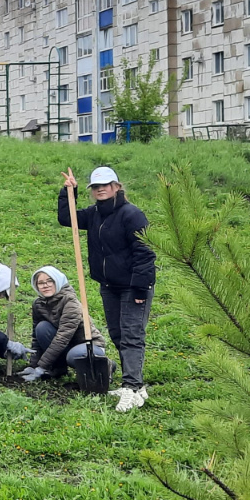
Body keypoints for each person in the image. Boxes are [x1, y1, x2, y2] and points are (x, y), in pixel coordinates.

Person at [59, 165, 156, 412]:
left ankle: (132, 388)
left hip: (133, 286)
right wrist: (68, 191)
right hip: (109, 285)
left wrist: (139, 289)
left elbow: (145, 253)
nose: (101, 190)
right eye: (96, 187)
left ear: (116, 186)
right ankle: (134, 384)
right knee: (118, 335)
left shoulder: (131, 214)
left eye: (105, 185)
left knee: (132, 335)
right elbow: (66, 218)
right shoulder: (94, 214)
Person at [18, 266, 95, 383]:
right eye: (41, 283)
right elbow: (36, 338)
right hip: (65, 346)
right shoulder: (38, 304)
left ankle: (104, 366)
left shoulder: (70, 302)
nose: (46, 285)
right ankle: (59, 368)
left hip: (85, 345)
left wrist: (41, 367)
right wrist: (33, 365)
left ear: (57, 281)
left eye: (50, 281)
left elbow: (62, 337)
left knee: (74, 356)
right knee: (42, 328)